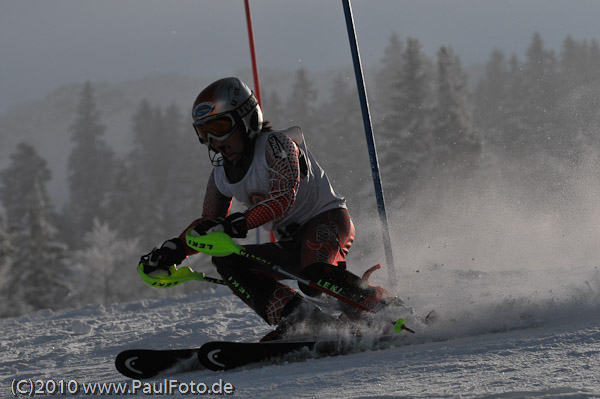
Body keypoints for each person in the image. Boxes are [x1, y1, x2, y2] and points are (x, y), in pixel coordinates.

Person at [140, 77, 388, 339]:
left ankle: (385, 308)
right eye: (204, 133)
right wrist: (175, 250)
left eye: (220, 127)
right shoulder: (221, 174)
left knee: (314, 276)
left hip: (327, 221)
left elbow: (283, 197)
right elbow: (207, 226)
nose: (214, 141)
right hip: (291, 242)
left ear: (246, 119)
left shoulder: (277, 145)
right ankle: (304, 321)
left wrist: (238, 224)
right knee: (227, 260)